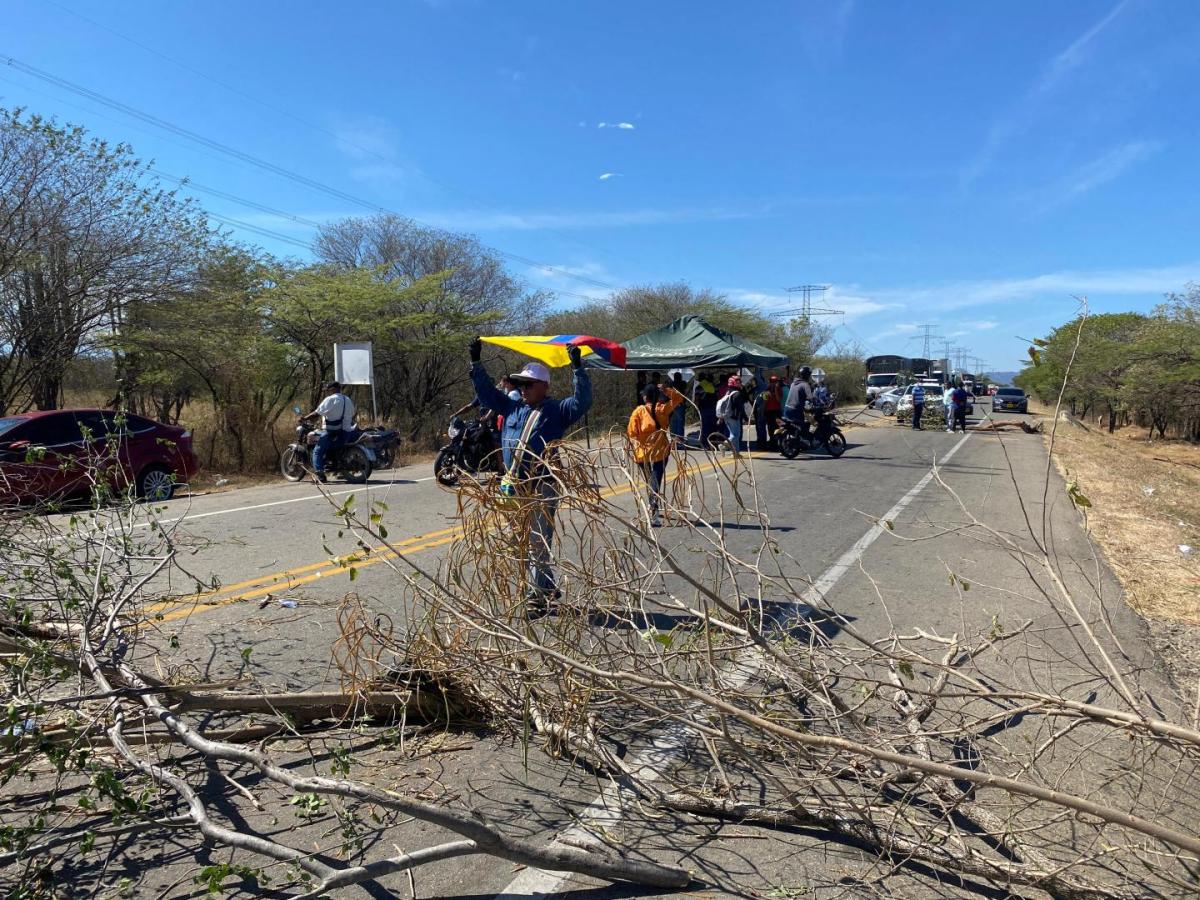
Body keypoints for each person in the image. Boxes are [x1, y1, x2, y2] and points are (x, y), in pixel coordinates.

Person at [468, 337, 592, 616]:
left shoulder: (557, 411)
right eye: (520, 384)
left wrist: (578, 368)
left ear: (544, 386)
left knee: (536, 542)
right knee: (522, 541)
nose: (522, 389)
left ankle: (537, 600)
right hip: (514, 487)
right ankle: (545, 587)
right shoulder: (512, 407)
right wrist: (476, 363)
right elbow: (488, 394)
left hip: (541, 487)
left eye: (528, 384)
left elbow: (583, 401)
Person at [627, 381, 684, 527]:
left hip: (643, 455)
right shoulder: (662, 409)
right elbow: (679, 399)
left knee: (651, 482)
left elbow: (631, 433)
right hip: (660, 452)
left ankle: (653, 508)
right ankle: (653, 508)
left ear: (646, 397)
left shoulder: (638, 412)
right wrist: (667, 390)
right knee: (655, 482)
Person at [302, 380, 356, 483]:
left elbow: (316, 413)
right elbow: (352, 413)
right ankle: (336, 469)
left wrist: (305, 418)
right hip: (346, 433)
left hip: (332, 432)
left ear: (333, 389)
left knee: (317, 450)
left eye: (328, 390)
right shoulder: (347, 399)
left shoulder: (330, 399)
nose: (328, 392)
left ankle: (320, 475)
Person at [784, 366, 815, 439]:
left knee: (793, 426)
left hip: (786, 408)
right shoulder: (805, 384)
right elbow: (811, 398)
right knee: (803, 425)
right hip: (796, 410)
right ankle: (802, 441)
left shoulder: (793, 383)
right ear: (807, 375)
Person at [693, 372, 718, 448]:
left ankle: (705, 444)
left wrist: (696, 409)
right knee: (713, 428)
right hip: (713, 409)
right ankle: (713, 444)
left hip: (704, 410)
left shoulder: (700, 386)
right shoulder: (713, 385)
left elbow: (697, 399)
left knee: (704, 428)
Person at [668, 371, 688, 448]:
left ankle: (675, 440)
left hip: (673, 406)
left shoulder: (672, 384)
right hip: (679, 405)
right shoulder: (682, 383)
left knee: (674, 423)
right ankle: (678, 440)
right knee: (679, 422)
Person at [763, 375, 784, 448]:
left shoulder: (779, 389)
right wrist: (766, 394)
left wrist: (775, 390)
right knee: (770, 427)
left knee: (777, 427)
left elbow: (779, 400)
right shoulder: (766, 390)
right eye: (772, 382)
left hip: (776, 411)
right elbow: (764, 401)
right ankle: (772, 441)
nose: (773, 383)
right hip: (769, 411)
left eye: (775, 382)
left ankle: (778, 442)